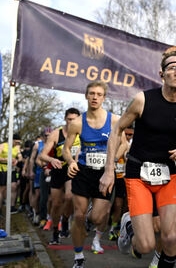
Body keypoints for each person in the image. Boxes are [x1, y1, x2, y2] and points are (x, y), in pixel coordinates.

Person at [102, 50, 176, 268]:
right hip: (138, 174)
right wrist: (108, 170)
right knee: (145, 245)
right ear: (162, 74)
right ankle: (129, 225)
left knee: (170, 238)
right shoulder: (143, 100)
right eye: (172, 68)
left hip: (168, 176)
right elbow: (117, 130)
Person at [62, 81, 122, 267]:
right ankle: (78, 256)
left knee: (96, 217)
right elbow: (66, 148)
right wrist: (71, 161)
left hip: (104, 174)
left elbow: (124, 145)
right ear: (86, 96)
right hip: (83, 172)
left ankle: (92, 223)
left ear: (104, 97)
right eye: (91, 93)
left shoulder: (114, 121)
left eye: (98, 94)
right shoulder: (78, 123)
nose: (95, 97)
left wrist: (110, 164)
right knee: (78, 216)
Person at [39, 108, 81, 244]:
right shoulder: (56, 134)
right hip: (58, 170)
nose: (72, 122)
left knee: (69, 197)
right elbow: (43, 155)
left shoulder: (82, 133)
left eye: (75, 119)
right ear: (65, 119)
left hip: (72, 169)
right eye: (69, 119)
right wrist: (52, 160)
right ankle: (56, 231)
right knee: (56, 204)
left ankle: (65, 219)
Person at [0, 134, 23, 214]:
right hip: (2, 169)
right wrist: (6, 159)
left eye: (19, 143)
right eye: (16, 142)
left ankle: (11, 207)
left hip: (12, 169)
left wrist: (17, 160)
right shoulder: (2, 146)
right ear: (12, 140)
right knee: (2, 189)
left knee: (14, 186)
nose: (17, 144)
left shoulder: (17, 148)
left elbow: (20, 157)